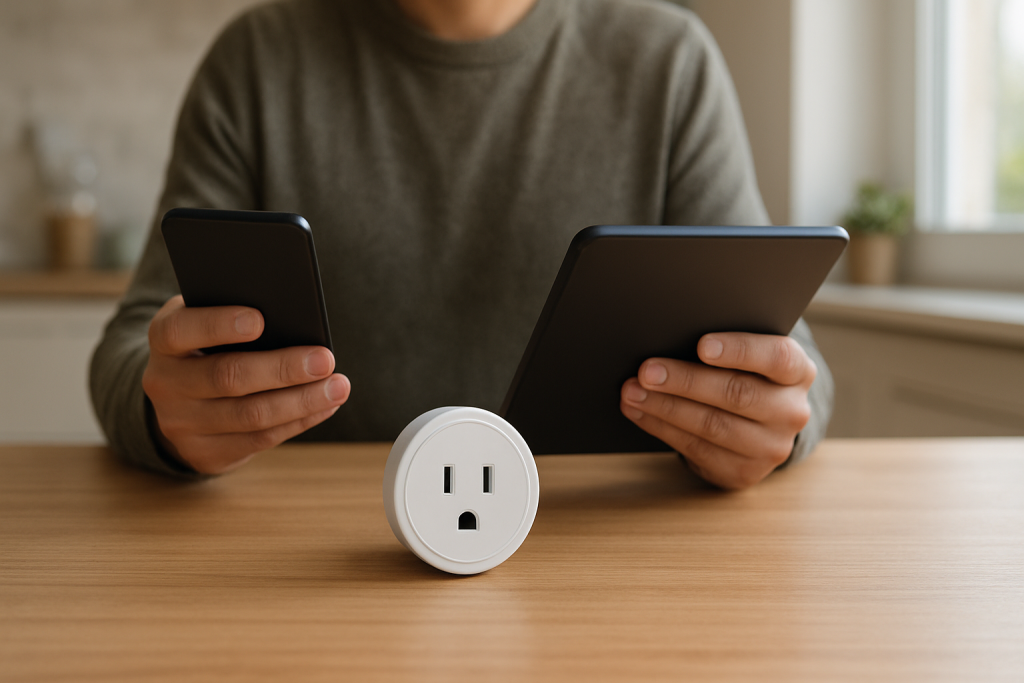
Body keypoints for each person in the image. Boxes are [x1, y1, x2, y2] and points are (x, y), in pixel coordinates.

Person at [90, 0, 833, 490]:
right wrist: (164, 414)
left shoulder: (670, 62)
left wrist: (768, 421)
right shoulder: (256, 60)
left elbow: (792, 364)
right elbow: (134, 346)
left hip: (592, 550)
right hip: (313, 555)